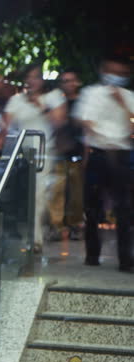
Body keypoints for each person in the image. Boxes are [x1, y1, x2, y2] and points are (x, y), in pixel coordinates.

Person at [0, 63, 67, 251]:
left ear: (42, 79)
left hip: (44, 153)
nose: (32, 81)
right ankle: (27, 233)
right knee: (22, 196)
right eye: (28, 77)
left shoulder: (53, 97)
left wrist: (41, 106)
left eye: (35, 77)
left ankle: (35, 239)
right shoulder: (16, 100)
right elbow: (6, 123)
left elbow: (60, 120)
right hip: (21, 155)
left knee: (38, 195)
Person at [75, 54, 133, 272]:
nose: (116, 76)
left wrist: (122, 104)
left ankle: (126, 260)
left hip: (120, 155)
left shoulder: (129, 96)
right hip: (98, 153)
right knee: (92, 208)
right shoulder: (91, 94)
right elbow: (85, 122)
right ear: (103, 70)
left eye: (121, 73)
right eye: (112, 71)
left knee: (124, 210)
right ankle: (92, 256)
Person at [48, 69, 86, 241]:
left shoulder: (83, 103)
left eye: (71, 80)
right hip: (59, 154)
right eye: (64, 81)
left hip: (77, 154)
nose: (68, 84)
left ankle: (76, 224)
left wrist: (87, 155)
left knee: (76, 194)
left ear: (77, 82)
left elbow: (86, 132)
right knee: (57, 192)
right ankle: (56, 226)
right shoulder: (57, 103)